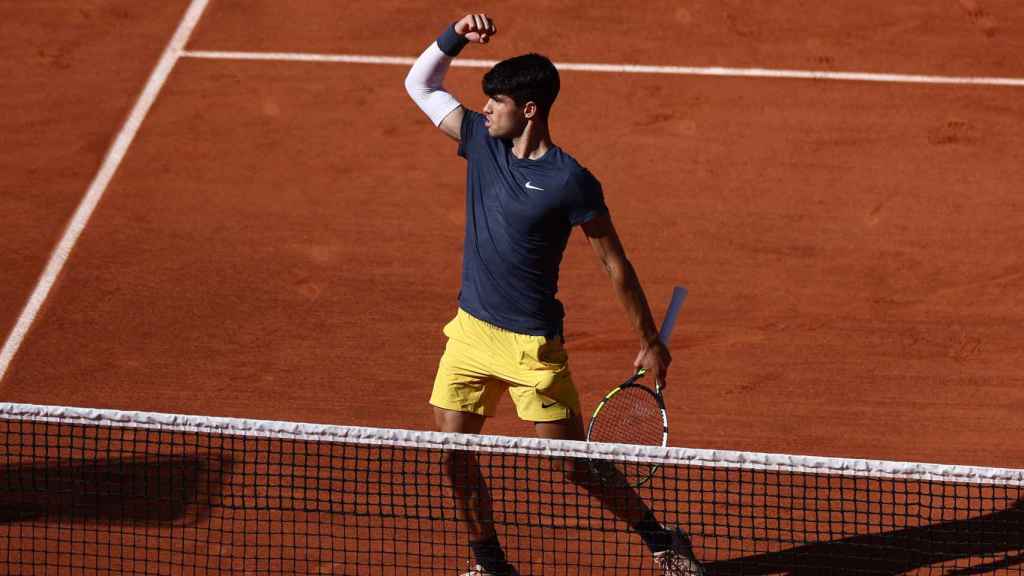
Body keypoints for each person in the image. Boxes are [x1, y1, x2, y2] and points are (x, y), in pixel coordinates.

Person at [404, 13, 705, 576]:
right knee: (453, 457)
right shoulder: (478, 140)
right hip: (469, 332)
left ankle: (661, 537)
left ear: (529, 110)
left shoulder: (571, 181)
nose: (485, 108)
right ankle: (490, 564)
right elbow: (419, 84)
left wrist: (650, 341)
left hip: (532, 348)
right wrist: (453, 35)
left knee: (573, 466)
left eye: (495, 102)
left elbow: (614, 263)